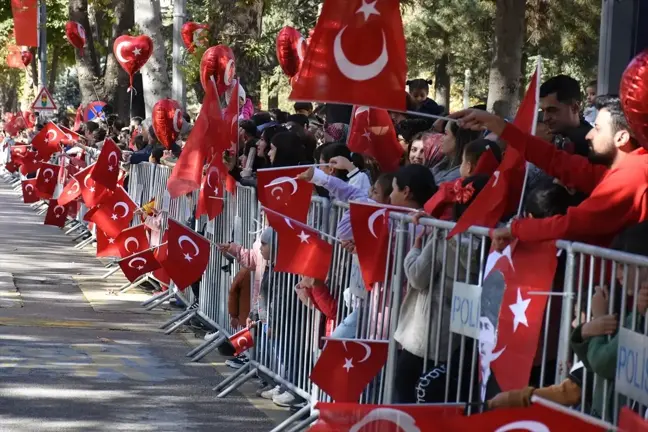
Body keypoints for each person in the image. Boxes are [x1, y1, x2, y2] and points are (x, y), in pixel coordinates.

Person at [451, 95, 648, 248]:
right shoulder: (625, 169)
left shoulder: (631, 176)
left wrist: (516, 229)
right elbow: (555, 160)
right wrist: (497, 125)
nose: (588, 134)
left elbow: (572, 224)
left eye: (597, 129)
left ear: (621, 138)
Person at [393, 175, 487, 404]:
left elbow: (417, 276)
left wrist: (414, 249)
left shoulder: (445, 235)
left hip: (426, 333)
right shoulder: (492, 240)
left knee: (406, 396)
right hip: (458, 338)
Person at [539, 75, 592, 157]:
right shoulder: (551, 137)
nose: (545, 118)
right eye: (543, 111)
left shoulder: (593, 146)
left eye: (552, 110)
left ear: (575, 107)